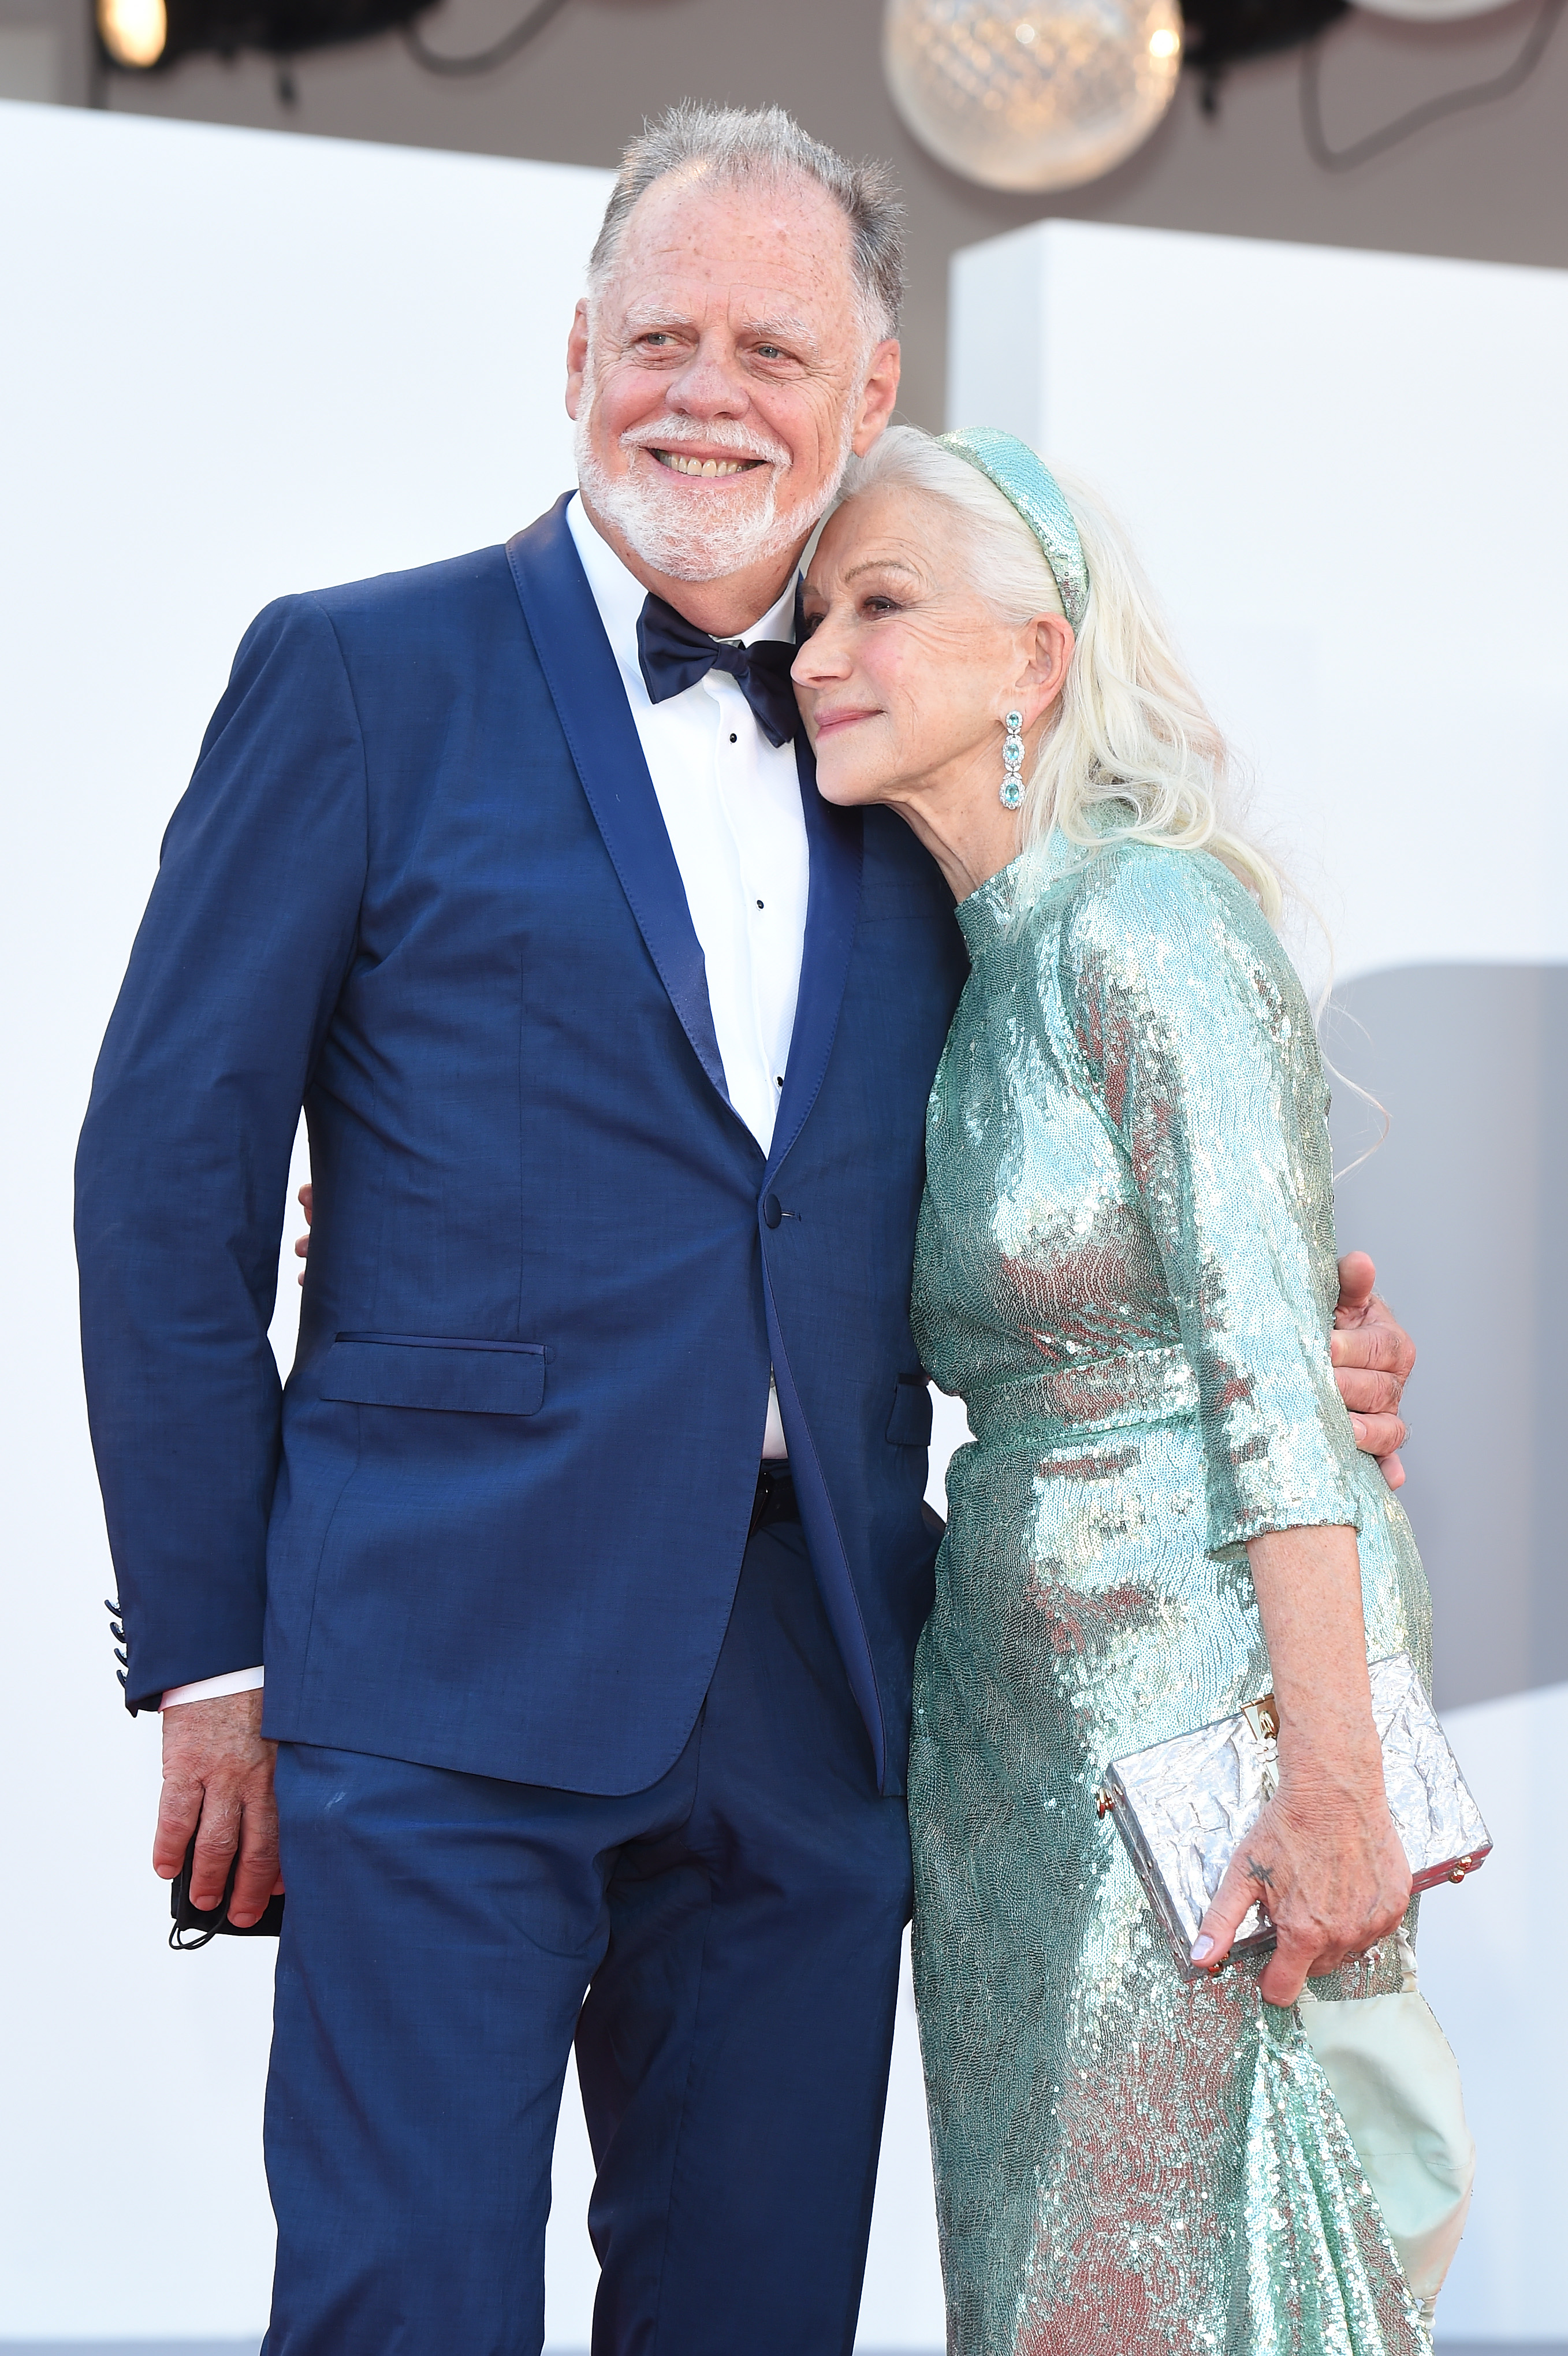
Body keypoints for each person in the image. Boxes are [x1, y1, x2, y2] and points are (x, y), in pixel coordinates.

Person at [74, 106, 1415, 2356]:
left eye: (770, 347)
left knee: (756, 2317)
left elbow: (1076, 1172)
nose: (708, 388)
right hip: (435, 1668)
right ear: (573, 350)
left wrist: (1294, 1364)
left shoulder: (902, 740)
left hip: (825, 1690)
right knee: (403, 2307)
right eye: (660, 334)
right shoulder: (356, 676)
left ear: (867, 396)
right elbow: (160, 1169)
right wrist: (211, 1664)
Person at [791, 423, 1473, 2354]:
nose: (819, 648)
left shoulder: (1152, 922)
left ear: (1034, 657)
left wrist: (1333, 1782)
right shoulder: (959, 968)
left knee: (1211, 2280)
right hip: (1005, 1725)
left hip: (1200, 1723)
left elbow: (1271, 1377)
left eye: (883, 602)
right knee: (1048, 2284)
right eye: (816, 611)